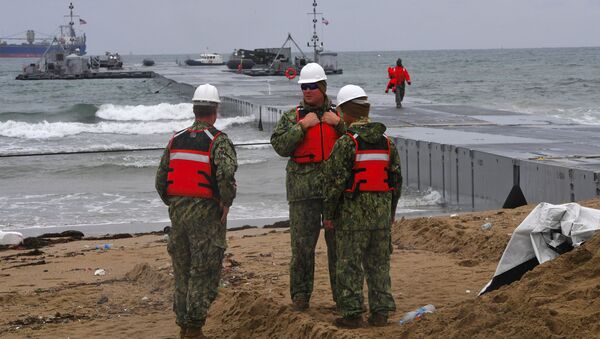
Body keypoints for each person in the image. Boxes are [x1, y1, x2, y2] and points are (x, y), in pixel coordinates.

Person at [155, 84, 238, 339]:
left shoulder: (175, 139)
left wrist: (176, 204)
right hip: (207, 217)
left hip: (178, 216)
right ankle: (195, 329)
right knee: (204, 272)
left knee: (182, 272)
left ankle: (183, 326)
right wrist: (226, 202)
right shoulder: (218, 141)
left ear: (194, 109)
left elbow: (161, 181)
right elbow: (226, 176)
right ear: (215, 110)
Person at [323, 84, 402, 328]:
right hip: (380, 218)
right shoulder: (388, 143)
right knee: (379, 265)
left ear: (345, 112)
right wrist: (390, 212)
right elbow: (396, 182)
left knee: (348, 265)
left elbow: (334, 184)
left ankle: (352, 314)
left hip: (351, 219)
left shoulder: (346, 144)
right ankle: (380, 313)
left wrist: (329, 214)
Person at [270, 62, 345, 311]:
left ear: (323, 87)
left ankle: (343, 298)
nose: (308, 91)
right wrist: (302, 127)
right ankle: (301, 298)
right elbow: (280, 146)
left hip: (335, 194)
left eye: (313, 86)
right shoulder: (292, 117)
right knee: (302, 250)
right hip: (303, 194)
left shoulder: (338, 115)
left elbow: (358, 141)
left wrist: (339, 125)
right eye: (304, 86)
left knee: (339, 250)